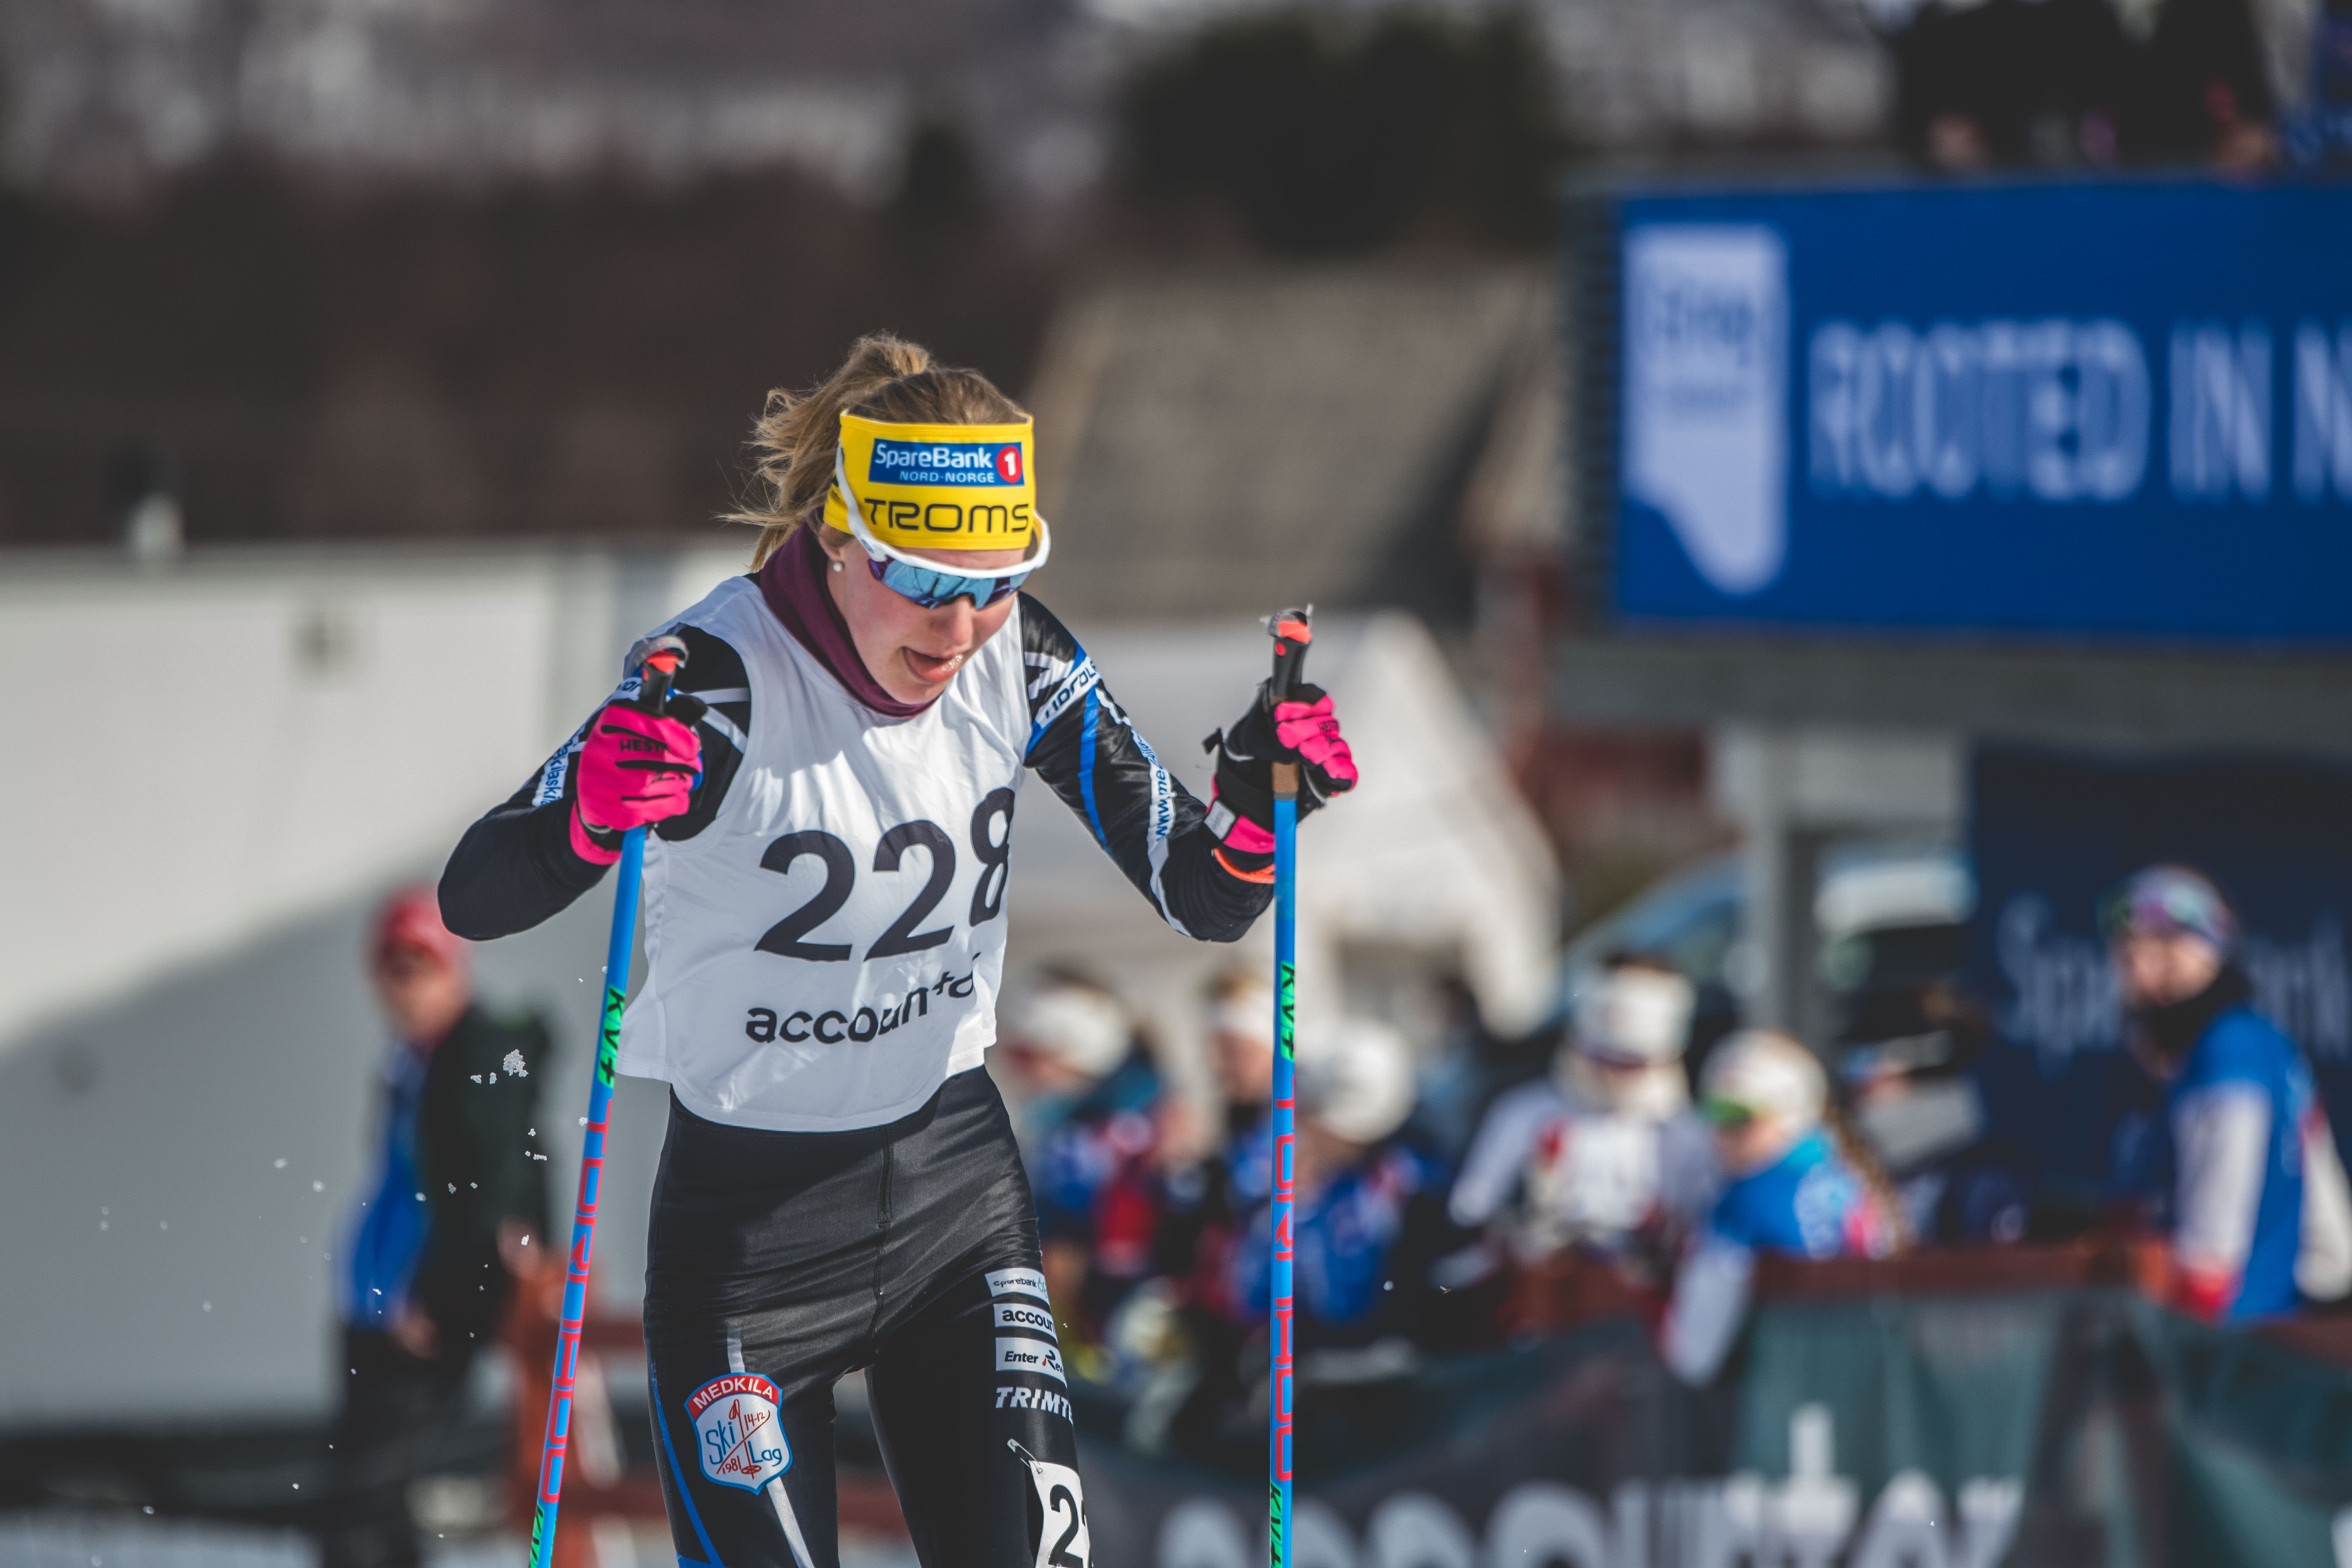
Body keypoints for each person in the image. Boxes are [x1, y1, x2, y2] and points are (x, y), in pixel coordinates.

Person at [436, 333, 1358, 1568]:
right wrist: (590, 814)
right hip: (748, 1246)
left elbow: (1203, 889)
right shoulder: (717, 679)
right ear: (837, 535)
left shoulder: (1018, 656)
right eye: (921, 577)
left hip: (953, 1204)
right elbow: (476, 893)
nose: (959, 624)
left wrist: (1255, 796)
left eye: (996, 581)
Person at [319, 889, 550, 1568]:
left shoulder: (482, 1051)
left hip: (424, 1312)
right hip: (375, 1303)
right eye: (391, 968)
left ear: (455, 968)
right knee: (367, 1501)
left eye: (420, 966)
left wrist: (441, 1298)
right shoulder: (411, 1058)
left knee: (363, 1506)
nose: (404, 986)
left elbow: (503, 1176)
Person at [2102, 866, 2352, 1323]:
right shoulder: (2259, 1045)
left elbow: (2209, 1262)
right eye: (2129, 954)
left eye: (2164, 949)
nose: (2140, 971)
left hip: (2225, 1342)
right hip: (2255, 1337)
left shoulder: (2228, 1055)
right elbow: (2335, 1253)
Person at [1448, 957, 1717, 1282]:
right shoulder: (1523, 1114)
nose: (1612, 1076)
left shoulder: (1690, 1134)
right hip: (1542, 1291)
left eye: (1629, 1064)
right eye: (1601, 1059)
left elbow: (1707, 1227)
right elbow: (1472, 1206)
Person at [1660, 1031, 1902, 1386]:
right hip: (1873, 1378)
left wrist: (1650, 1292)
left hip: (1797, 1389)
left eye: (1739, 1116)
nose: (1720, 1132)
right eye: (1712, 1110)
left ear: (1789, 1115)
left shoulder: (1743, 1203)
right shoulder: (1853, 1181)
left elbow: (1693, 1353)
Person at [1225, 1018, 1450, 1362]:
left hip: (1379, 1364)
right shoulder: (1308, 1179)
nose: (1306, 1126)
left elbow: (1361, 1308)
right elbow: (1251, 1301)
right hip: (1321, 1360)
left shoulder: (1407, 1183)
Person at [996, 974, 1171, 1342]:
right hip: (1097, 1311)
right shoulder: (1062, 1119)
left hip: (1127, 1314)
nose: (1016, 1071)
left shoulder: (1120, 1128)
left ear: (1072, 1053)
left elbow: (1074, 1250)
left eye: (1028, 1056)